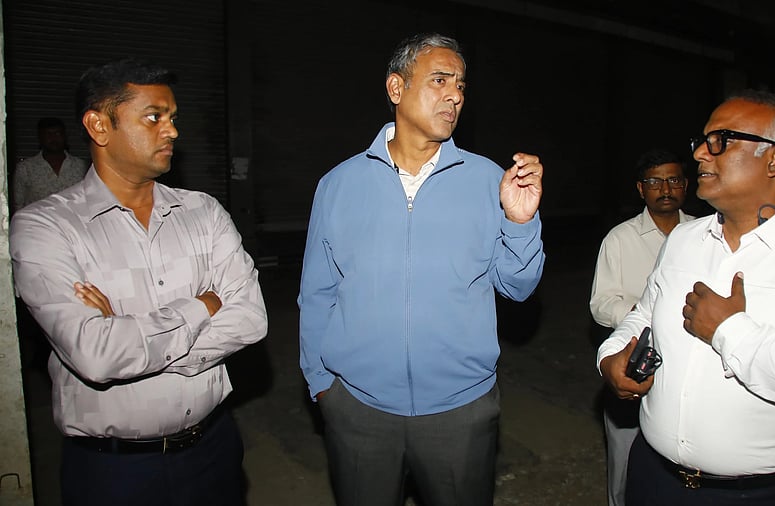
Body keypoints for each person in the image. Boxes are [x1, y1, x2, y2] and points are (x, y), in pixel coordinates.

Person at [597, 90, 775, 506]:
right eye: (701, 141)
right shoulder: (683, 239)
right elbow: (642, 313)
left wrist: (733, 332)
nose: (700, 154)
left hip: (757, 495)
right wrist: (610, 357)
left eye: (721, 141)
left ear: (774, 159)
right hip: (654, 478)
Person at [298, 33, 545, 506]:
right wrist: (322, 384)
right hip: (359, 408)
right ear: (396, 88)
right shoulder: (339, 185)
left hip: (461, 411)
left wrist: (520, 221)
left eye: (461, 85)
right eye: (439, 80)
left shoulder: (489, 180)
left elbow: (517, 287)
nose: (454, 95)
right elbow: (317, 293)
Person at [9, 58, 268, 506]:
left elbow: (251, 319)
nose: (172, 131)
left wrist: (132, 336)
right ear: (99, 125)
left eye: (172, 118)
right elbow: (96, 354)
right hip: (114, 471)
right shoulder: (44, 228)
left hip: (214, 448)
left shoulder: (203, 212)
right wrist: (201, 308)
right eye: (154, 117)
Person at [589, 148, 694, 506]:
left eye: (673, 179)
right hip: (635, 361)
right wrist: (645, 313)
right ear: (641, 188)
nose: (665, 188)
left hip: (688, 366)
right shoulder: (619, 239)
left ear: (685, 185)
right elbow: (601, 304)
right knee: (625, 463)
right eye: (655, 181)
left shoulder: (703, 234)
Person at [13, 116, 88, 212]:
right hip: (38, 225)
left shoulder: (82, 167)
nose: (53, 139)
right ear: (40, 137)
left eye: (57, 133)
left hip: (73, 225)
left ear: (65, 136)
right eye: (48, 134)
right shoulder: (25, 169)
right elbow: (18, 205)